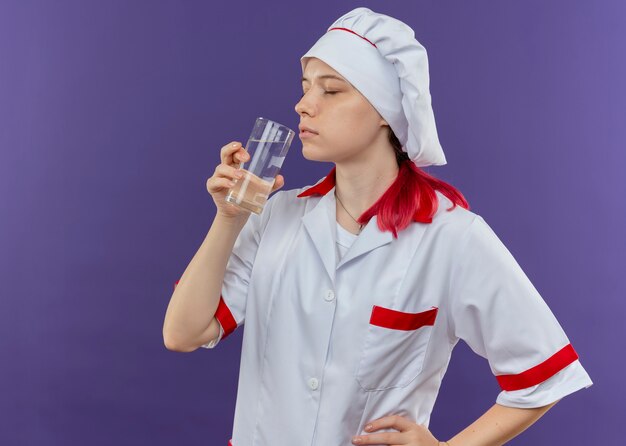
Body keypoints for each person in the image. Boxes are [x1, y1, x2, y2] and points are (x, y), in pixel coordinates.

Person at [162, 7, 593, 446]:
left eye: (331, 90)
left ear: (386, 109)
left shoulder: (451, 237)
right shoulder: (277, 214)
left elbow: (547, 375)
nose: (303, 104)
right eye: (306, 87)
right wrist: (228, 218)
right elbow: (184, 332)